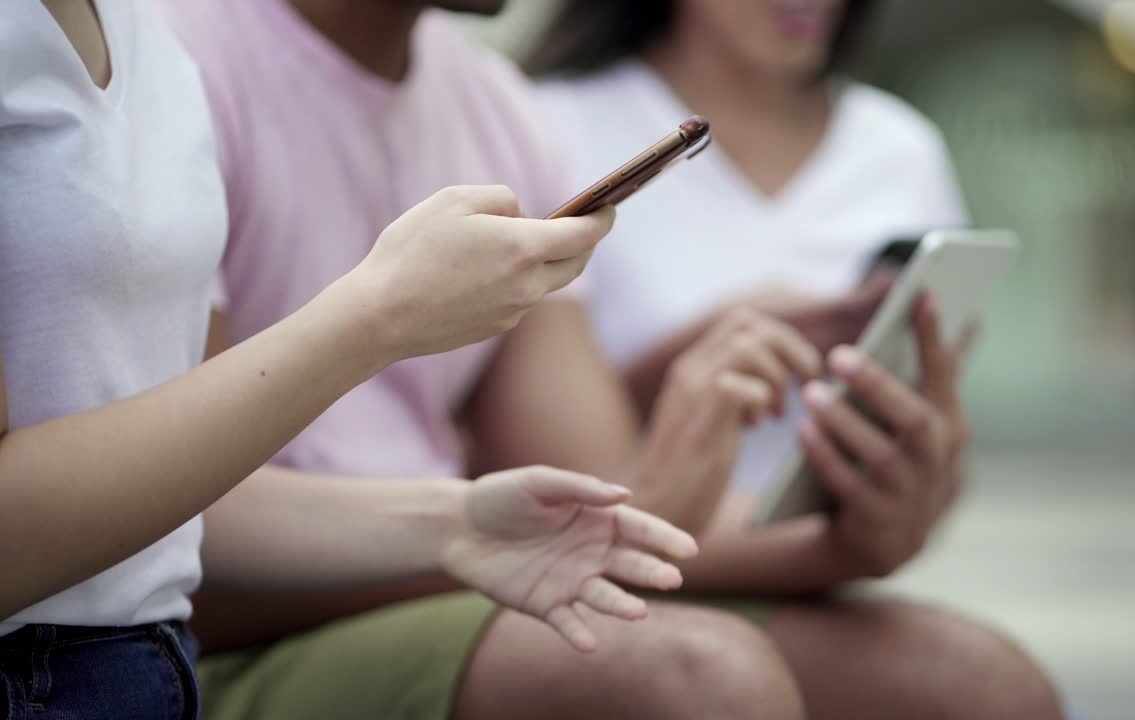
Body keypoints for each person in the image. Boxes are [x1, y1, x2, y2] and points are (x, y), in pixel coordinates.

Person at [161, 0, 1064, 719]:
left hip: (449, 578)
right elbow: (175, 542)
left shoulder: (497, 109)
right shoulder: (182, 59)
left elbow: (610, 501)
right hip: (249, 635)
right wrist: (475, 528)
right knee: (704, 680)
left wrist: (852, 535)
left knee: (985, 689)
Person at [0, 1, 698, 717]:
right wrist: (376, 316)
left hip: (149, 658)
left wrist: (453, 525)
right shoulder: (198, 41)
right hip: (86, 662)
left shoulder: (141, 33)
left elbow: (173, 503)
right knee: (695, 675)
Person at [530, 0, 1069, 716]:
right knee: (984, 688)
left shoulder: (900, 149)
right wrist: (701, 352)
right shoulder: (547, 126)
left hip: (812, 591)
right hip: (620, 581)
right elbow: (555, 493)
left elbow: (938, 465)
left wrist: (912, 488)